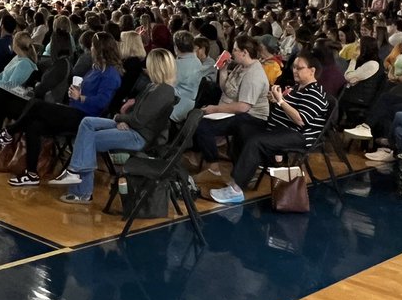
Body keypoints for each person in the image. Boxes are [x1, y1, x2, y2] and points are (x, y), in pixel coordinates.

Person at [51, 48, 179, 203]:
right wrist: (124, 120)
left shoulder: (164, 91)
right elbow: (137, 115)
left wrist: (119, 117)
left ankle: (81, 189)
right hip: (132, 127)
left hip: (139, 136)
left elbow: (139, 120)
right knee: (87, 123)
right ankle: (75, 173)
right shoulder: (154, 87)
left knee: (88, 138)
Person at [209, 52, 330, 205]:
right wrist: (275, 100)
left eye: (299, 68)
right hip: (278, 128)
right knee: (242, 125)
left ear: (312, 71)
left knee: (255, 141)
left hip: (298, 135)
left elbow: (300, 120)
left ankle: (236, 189)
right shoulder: (297, 88)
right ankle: (242, 172)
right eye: (294, 67)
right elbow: (286, 108)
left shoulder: (316, 93)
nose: (294, 71)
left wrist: (281, 102)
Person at [4, 32, 123, 186]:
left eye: (93, 46)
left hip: (86, 117)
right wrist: (75, 93)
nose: (91, 49)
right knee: (33, 125)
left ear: (99, 49)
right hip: (74, 109)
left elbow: (102, 101)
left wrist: (80, 97)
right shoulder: (96, 68)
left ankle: (8, 132)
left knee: (37, 105)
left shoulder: (111, 74)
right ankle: (31, 173)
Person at [190, 35, 271, 174]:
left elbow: (244, 107)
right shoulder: (241, 66)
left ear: (244, 52)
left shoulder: (254, 75)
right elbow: (226, 89)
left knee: (203, 126)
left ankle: (213, 166)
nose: (232, 52)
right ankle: (210, 157)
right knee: (197, 117)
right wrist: (223, 70)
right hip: (237, 110)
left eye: (235, 50)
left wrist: (215, 109)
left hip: (252, 117)